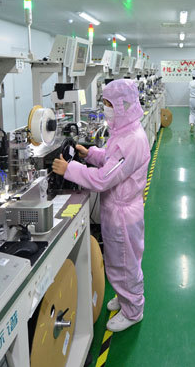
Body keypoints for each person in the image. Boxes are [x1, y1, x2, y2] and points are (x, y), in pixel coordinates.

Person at [52, 79, 150, 332]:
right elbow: (111, 158)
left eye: (107, 103)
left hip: (123, 213)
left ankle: (133, 310)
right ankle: (124, 296)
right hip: (117, 208)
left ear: (121, 104)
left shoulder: (132, 139)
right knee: (119, 261)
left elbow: (104, 178)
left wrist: (69, 169)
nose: (105, 107)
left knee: (125, 264)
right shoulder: (125, 130)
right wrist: (90, 154)